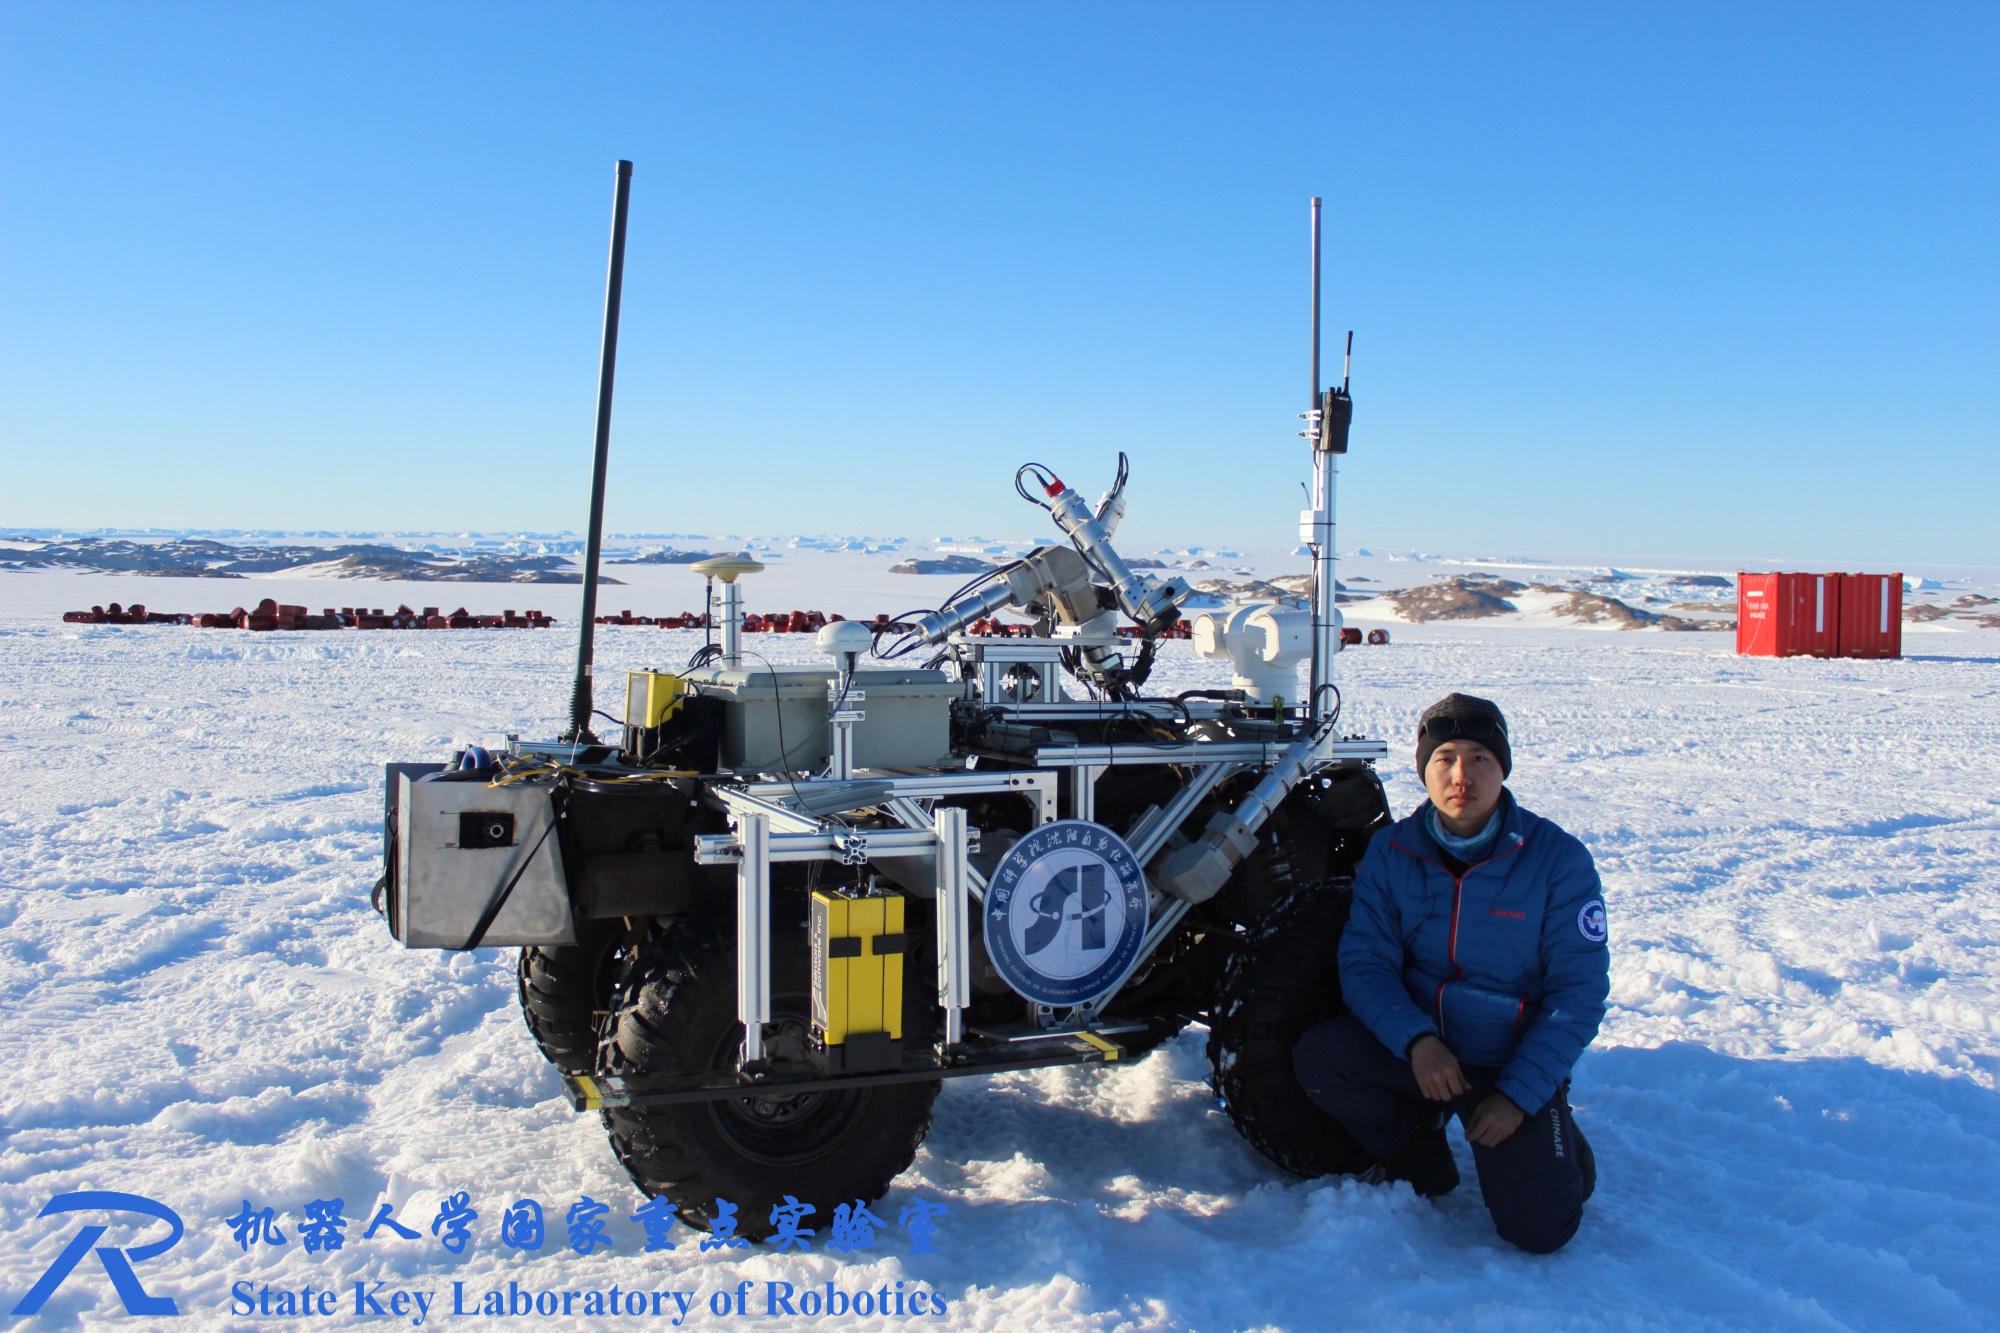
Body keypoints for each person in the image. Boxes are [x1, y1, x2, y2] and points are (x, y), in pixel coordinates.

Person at [1292, 692, 1609, 1254]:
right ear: (1424, 769)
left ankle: (1554, 1135)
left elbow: (1577, 997)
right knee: (1322, 1058)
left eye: (1480, 758)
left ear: (1503, 767)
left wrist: (1519, 1096)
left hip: (1506, 1060)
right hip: (1425, 1053)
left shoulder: (1558, 860)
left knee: (1540, 1231)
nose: (1462, 774)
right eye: (1445, 758)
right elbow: (1366, 963)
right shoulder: (1392, 851)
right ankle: (1418, 1147)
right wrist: (1417, 1041)